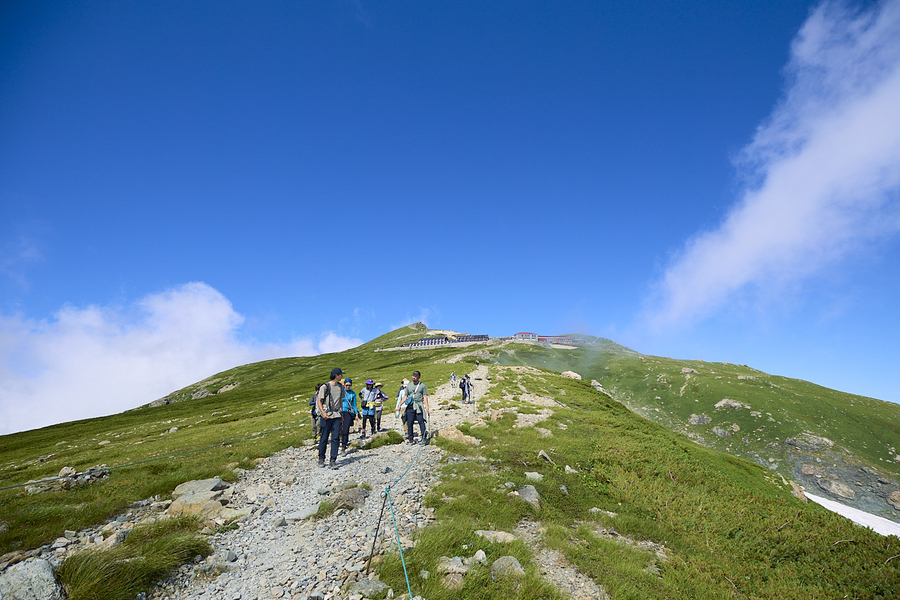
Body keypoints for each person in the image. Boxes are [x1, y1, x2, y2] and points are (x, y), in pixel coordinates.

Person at [316, 368, 346, 469]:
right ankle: (321, 458)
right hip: (327, 415)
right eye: (340, 374)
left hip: (337, 415)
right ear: (336, 375)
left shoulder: (341, 387)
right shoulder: (325, 387)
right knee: (324, 437)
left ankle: (333, 460)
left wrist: (341, 413)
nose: (342, 376)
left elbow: (341, 401)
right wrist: (323, 413)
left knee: (335, 438)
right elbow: (319, 401)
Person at [397, 370, 430, 444]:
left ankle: (424, 437)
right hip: (410, 406)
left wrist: (427, 407)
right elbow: (405, 396)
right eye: (413, 376)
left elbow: (425, 396)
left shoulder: (422, 385)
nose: (413, 377)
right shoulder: (409, 385)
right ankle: (411, 438)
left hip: (419, 405)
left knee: (421, 421)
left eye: (415, 376)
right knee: (410, 422)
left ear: (418, 377)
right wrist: (400, 404)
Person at [340, 378, 359, 452]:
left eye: (349, 385)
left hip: (348, 412)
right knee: (338, 427)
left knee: (346, 428)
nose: (348, 386)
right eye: (346, 385)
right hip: (340, 411)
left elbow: (354, 404)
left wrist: (356, 414)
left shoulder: (353, 393)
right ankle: (339, 441)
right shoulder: (341, 392)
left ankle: (344, 445)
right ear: (344, 385)